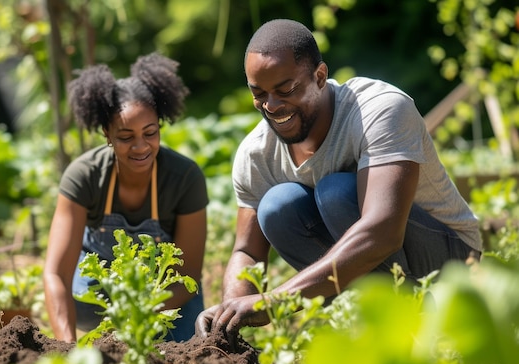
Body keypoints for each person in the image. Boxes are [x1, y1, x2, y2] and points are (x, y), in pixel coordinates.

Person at [196, 19, 482, 342]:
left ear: (319, 77)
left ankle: (421, 321)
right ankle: (379, 319)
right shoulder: (255, 155)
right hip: (374, 264)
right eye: (259, 94)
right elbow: (247, 250)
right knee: (277, 207)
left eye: (285, 90)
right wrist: (229, 311)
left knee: (335, 194)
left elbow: (382, 231)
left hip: (451, 258)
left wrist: (275, 301)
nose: (271, 106)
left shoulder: (380, 109)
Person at [44, 52, 209, 343]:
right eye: (125, 137)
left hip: (165, 296)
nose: (140, 146)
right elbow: (56, 274)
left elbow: (188, 275)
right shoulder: (84, 175)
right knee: (76, 295)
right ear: (107, 133)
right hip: (97, 297)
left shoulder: (185, 177)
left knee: (186, 345)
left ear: (160, 125)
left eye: (150, 133)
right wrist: (65, 349)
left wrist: (136, 322)